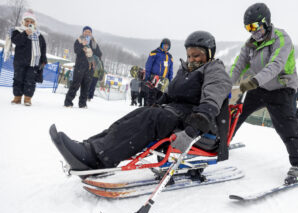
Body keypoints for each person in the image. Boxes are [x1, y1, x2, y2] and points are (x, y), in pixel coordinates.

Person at [50, 31, 232, 172]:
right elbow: (170, 94)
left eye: (197, 55)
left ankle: (98, 157)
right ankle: (89, 148)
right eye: (190, 55)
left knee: (151, 118)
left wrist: (192, 131)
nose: (192, 60)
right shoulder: (185, 71)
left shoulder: (215, 71)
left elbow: (211, 102)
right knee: (140, 113)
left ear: (209, 54)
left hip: (197, 126)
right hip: (176, 115)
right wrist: (157, 103)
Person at [230, 3, 298, 184]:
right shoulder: (250, 44)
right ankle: (221, 142)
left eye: (255, 26)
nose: (252, 32)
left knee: (286, 126)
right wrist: (225, 86)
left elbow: (275, 65)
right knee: (234, 111)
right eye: (248, 28)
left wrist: (248, 84)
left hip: (281, 88)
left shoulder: (281, 38)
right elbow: (238, 66)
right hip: (260, 87)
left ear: (266, 23)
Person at [10, 10, 47, 106]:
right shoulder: (17, 31)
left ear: (35, 23)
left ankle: (27, 98)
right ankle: (17, 97)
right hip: (20, 62)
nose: (29, 23)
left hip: (33, 63)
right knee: (18, 79)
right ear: (23, 21)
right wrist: (25, 33)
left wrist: (43, 60)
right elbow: (16, 41)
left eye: (31, 21)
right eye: (27, 21)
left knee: (30, 80)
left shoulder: (39, 36)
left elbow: (43, 48)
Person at [64, 26, 102, 108]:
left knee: (86, 86)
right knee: (75, 84)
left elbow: (99, 54)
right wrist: (82, 45)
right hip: (80, 66)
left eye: (89, 32)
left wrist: (92, 50)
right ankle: (68, 102)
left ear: (91, 33)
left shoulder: (94, 43)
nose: (87, 33)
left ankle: (82, 104)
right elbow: (76, 50)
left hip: (90, 67)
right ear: (83, 32)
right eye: (86, 31)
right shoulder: (79, 40)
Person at [144, 38, 174, 106]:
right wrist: (147, 76)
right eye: (164, 45)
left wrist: (170, 80)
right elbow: (148, 65)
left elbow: (170, 70)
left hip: (163, 81)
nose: (166, 47)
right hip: (154, 79)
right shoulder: (155, 53)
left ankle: (155, 113)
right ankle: (148, 112)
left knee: (159, 100)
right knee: (151, 98)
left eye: (167, 45)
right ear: (161, 45)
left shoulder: (170, 57)